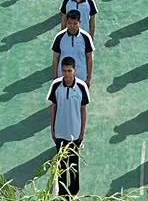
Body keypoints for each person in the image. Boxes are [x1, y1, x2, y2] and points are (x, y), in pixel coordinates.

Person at [48, 56, 89, 199]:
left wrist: (82, 132)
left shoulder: (82, 87)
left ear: (75, 71)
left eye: (69, 71)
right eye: (64, 71)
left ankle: (74, 191)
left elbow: (83, 110)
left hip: (75, 133)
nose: (66, 74)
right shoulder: (56, 86)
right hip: (60, 133)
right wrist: (52, 128)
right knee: (61, 166)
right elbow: (53, 107)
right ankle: (63, 194)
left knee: (73, 164)